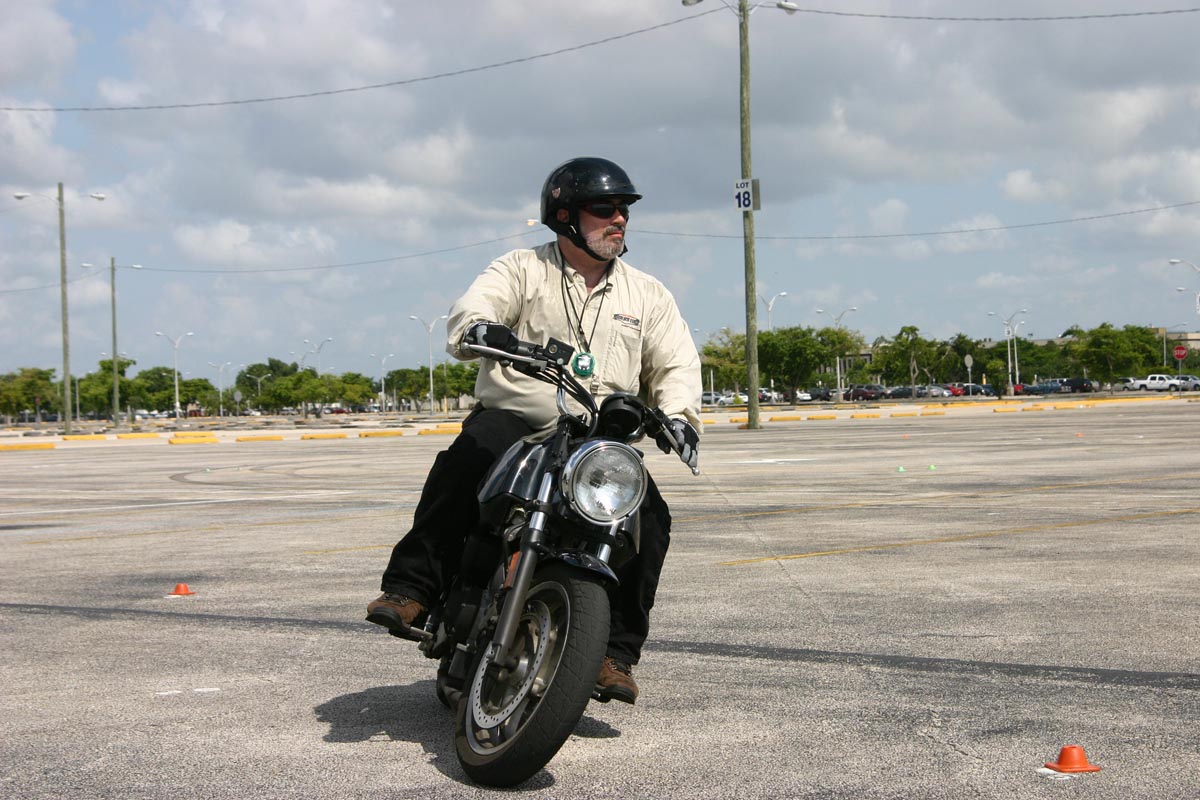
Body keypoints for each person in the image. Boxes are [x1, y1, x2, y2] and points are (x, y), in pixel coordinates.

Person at [367, 156, 701, 705]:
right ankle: (411, 588)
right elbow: (475, 307)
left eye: (623, 210)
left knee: (650, 518)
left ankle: (613, 653)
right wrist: (481, 328)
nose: (619, 219)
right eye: (604, 209)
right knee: (469, 456)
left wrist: (679, 417)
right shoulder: (523, 269)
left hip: (597, 439)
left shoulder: (648, 294)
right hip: (520, 420)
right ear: (565, 216)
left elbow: (676, 365)